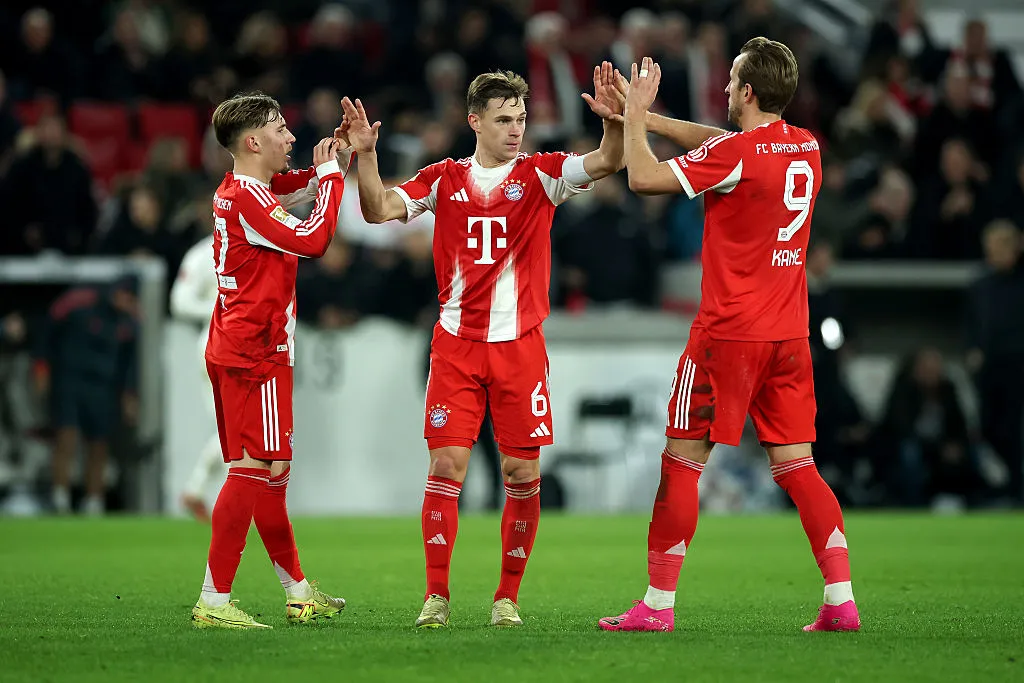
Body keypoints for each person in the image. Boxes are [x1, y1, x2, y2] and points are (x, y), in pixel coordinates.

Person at [340, 63, 625, 628]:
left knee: (521, 473)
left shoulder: (543, 174)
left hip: (519, 348)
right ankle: (437, 596)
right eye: (503, 120)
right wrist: (367, 158)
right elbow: (378, 210)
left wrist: (616, 123)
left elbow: (608, 161)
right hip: (456, 345)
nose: (515, 130)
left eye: (520, 118)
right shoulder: (444, 178)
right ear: (474, 121)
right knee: (447, 464)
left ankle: (507, 598)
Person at [598, 42, 859, 633]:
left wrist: (636, 119)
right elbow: (725, 145)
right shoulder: (807, 146)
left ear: (745, 91)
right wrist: (649, 119)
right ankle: (841, 599)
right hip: (789, 336)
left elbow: (641, 177)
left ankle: (657, 607)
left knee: (681, 464)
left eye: (731, 81)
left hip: (727, 335)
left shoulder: (739, 154)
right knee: (798, 465)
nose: (723, 90)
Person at [190, 91, 349, 629]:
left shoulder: (246, 189)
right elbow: (315, 239)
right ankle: (214, 600)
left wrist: (332, 161)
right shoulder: (247, 200)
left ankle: (298, 592)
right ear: (253, 141)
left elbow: (292, 185)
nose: (291, 136)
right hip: (254, 352)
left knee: (272, 470)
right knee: (253, 468)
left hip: (248, 346)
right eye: (281, 129)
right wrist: (330, 179)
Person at [174, 171, 323, 522]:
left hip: (248, 339)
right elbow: (178, 301)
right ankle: (206, 495)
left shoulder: (257, 229)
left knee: (242, 438)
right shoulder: (200, 255)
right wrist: (224, 308)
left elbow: (279, 207)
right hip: (225, 339)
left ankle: (200, 491)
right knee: (242, 438)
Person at [36, 278, 138, 515]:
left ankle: (94, 501)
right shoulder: (78, 304)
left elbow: (128, 367)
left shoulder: (128, 324)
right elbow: (47, 336)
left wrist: (129, 397)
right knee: (66, 438)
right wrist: (41, 372)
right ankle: (60, 498)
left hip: (103, 388)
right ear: (117, 294)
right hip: (68, 382)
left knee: (99, 444)